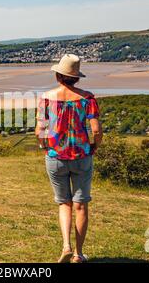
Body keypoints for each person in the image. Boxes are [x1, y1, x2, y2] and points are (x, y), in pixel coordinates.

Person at [35, 54, 103, 263]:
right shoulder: (87, 99)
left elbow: (40, 130)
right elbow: (97, 130)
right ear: (77, 77)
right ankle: (78, 254)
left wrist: (43, 145)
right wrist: (93, 147)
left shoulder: (46, 98)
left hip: (55, 157)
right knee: (80, 205)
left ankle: (66, 245)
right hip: (82, 156)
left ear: (58, 75)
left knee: (64, 203)